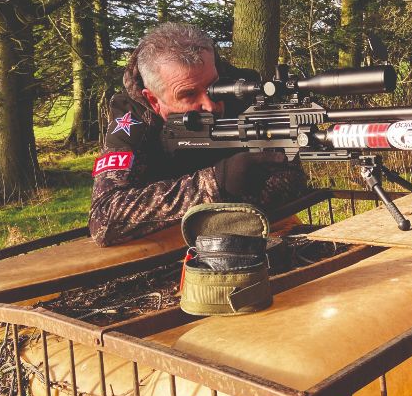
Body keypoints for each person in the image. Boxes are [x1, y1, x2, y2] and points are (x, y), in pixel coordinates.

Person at [89, 23, 307, 246]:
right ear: (154, 100)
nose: (210, 105)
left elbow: (292, 179)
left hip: (257, 234)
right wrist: (214, 184)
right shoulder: (131, 121)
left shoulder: (242, 90)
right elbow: (104, 218)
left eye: (214, 86)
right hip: (167, 246)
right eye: (189, 94)